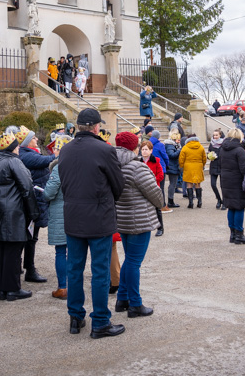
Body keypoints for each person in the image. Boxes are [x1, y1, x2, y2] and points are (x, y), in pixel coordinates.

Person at [58, 108, 125, 339]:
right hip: (98, 217)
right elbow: (118, 185)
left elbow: (64, 184)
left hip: (74, 215)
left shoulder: (65, 150)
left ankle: (76, 317)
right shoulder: (104, 149)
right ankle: (100, 322)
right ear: (96, 127)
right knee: (99, 271)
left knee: (74, 269)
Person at [112, 131, 164, 318]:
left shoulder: (112, 165)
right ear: (134, 147)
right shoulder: (137, 167)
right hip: (139, 219)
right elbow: (155, 194)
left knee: (130, 260)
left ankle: (122, 298)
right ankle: (135, 303)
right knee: (134, 262)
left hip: (121, 218)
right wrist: (160, 203)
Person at [0, 128, 40, 302]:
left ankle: (2, 286)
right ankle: (12, 289)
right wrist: (33, 212)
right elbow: (27, 188)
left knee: (2, 248)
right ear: (13, 148)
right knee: (13, 250)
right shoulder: (14, 162)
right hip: (13, 211)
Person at [17, 126, 53, 284]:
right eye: (33, 138)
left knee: (31, 236)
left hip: (35, 200)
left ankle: (23, 266)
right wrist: (58, 153)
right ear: (26, 142)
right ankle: (29, 269)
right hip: (32, 202)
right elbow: (45, 161)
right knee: (30, 237)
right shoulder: (26, 155)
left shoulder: (28, 153)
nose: (36, 139)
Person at [43, 135, 73, 299]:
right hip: (77, 211)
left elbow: (48, 193)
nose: (53, 151)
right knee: (75, 250)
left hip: (61, 212)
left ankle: (63, 287)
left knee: (61, 251)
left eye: (56, 148)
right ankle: (74, 285)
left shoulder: (58, 167)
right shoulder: (78, 165)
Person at [219, 128, 245, 244]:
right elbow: (244, 169)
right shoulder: (239, 150)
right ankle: (239, 233)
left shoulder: (222, 149)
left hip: (226, 180)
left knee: (231, 207)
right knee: (239, 207)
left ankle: (233, 234)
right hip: (237, 181)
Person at [138, 140, 165, 236]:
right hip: (141, 189)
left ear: (151, 151)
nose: (144, 151)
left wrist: (151, 181)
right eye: (143, 149)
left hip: (153, 188)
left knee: (157, 209)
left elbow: (161, 175)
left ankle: (160, 228)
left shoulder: (156, 161)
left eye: (146, 149)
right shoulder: (138, 162)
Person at [179, 133, 207, 209]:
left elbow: (181, 159)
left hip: (188, 167)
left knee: (189, 184)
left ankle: (190, 203)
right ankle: (199, 201)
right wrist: (202, 165)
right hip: (198, 166)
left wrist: (182, 166)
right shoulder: (201, 147)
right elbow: (204, 158)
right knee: (198, 184)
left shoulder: (185, 147)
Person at [164, 131, 183, 208]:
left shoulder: (172, 145)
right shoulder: (170, 146)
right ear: (174, 139)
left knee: (172, 184)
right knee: (172, 184)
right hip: (173, 167)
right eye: (178, 140)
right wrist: (179, 150)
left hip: (173, 166)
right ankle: (170, 201)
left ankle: (171, 201)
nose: (179, 141)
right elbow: (172, 155)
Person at [206, 129, 224, 210]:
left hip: (221, 165)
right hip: (213, 165)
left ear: (220, 135)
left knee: (223, 186)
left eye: (216, 135)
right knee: (213, 184)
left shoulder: (223, 144)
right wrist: (210, 156)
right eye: (214, 135)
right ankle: (219, 199)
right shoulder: (212, 144)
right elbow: (209, 153)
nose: (215, 136)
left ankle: (224, 201)